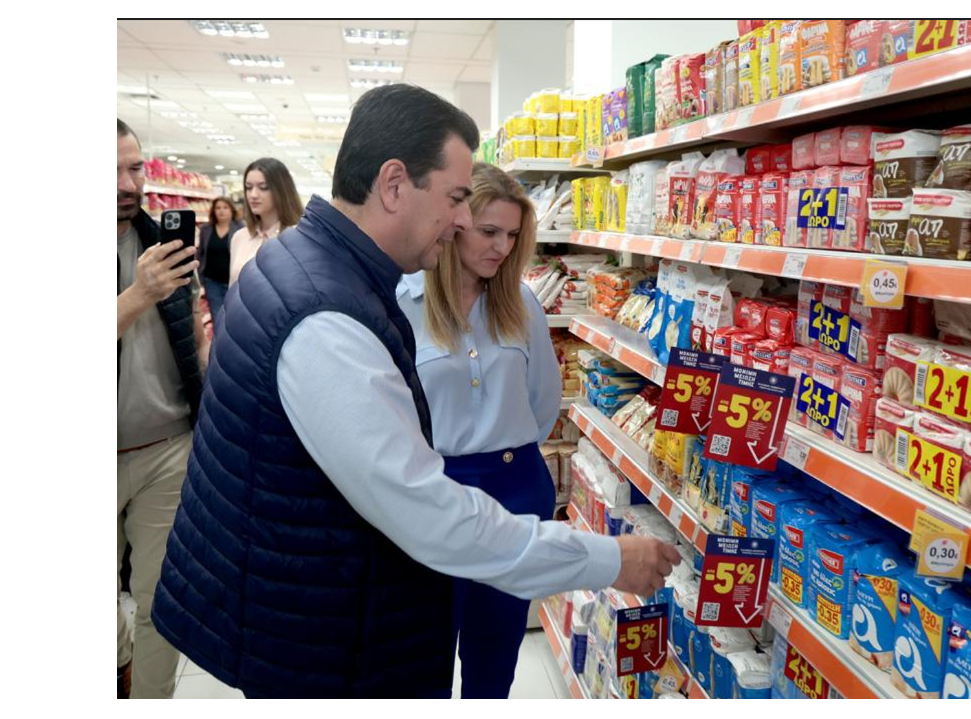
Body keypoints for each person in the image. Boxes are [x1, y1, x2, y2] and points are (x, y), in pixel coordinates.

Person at [151, 84, 679, 699]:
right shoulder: (326, 317)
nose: (463, 221)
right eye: (456, 198)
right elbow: (430, 515)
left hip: (309, 609)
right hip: (320, 641)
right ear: (395, 184)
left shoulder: (301, 267)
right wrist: (608, 559)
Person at [395, 163, 558, 698]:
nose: (502, 248)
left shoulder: (522, 303)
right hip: (433, 491)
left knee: (496, 650)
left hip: (515, 487)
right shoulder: (402, 303)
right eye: (490, 232)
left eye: (513, 236)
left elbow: (542, 402)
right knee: (422, 650)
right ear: (455, 222)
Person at [116, 119, 207, 699]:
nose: (127, 184)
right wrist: (136, 295)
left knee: (159, 602)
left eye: (134, 168)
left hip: (168, 447)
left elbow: (190, 342)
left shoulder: (160, 241)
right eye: (109, 171)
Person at [227, 157, 302, 285]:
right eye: (248, 187)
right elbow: (232, 287)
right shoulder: (240, 237)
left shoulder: (298, 238)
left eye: (263, 187)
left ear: (282, 191)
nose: (253, 195)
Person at [196, 196, 243, 332]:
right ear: (213, 211)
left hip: (234, 283)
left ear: (231, 210)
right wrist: (200, 276)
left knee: (234, 317)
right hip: (212, 282)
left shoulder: (240, 228)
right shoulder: (206, 229)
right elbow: (201, 253)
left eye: (225, 207)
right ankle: (220, 349)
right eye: (218, 208)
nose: (221, 211)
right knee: (218, 318)